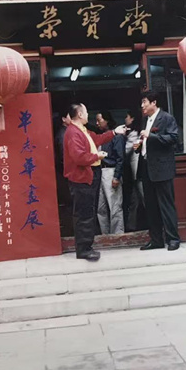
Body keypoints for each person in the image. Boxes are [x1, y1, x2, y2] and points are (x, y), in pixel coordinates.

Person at [63, 104, 127, 261]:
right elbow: (79, 157)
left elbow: (97, 139)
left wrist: (114, 132)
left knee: (88, 212)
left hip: (89, 176)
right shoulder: (73, 132)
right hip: (81, 178)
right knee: (84, 214)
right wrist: (97, 156)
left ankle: (87, 246)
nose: (87, 115)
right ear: (79, 114)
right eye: (85, 112)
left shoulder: (82, 130)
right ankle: (84, 249)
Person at [136, 91, 181, 251]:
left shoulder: (166, 118)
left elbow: (173, 138)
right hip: (147, 167)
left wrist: (151, 136)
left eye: (145, 102)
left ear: (154, 103)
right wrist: (139, 145)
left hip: (162, 168)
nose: (142, 106)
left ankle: (173, 239)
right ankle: (156, 240)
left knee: (166, 205)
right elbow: (146, 140)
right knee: (151, 206)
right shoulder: (145, 120)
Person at [95, 111, 125, 235]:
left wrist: (116, 176)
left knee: (115, 206)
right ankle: (105, 234)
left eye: (99, 120)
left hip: (111, 171)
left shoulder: (117, 136)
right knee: (100, 207)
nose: (97, 123)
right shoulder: (101, 136)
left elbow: (120, 158)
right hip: (100, 170)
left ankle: (117, 235)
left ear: (106, 120)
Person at [122, 110, 145, 232]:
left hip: (138, 172)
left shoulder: (134, 134)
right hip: (135, 173)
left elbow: (126, 150)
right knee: (135, 200)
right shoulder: (134, 133)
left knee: (143, 198)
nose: (125, 119)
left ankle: (154, 225)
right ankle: (132, 226)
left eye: (127, 116)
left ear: (132, 119)